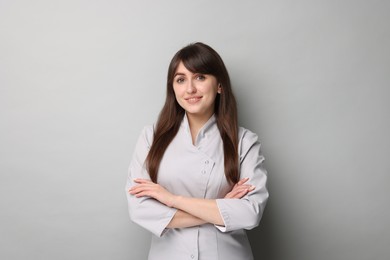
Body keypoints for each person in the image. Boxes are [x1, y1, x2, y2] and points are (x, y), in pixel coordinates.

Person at [125, 42, 268, 260]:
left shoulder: (244, 142)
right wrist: (221, 208)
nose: (190, 89)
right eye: (181, 79)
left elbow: (250, 214)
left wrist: (172, 199)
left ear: (219, 85)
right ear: (173, 88)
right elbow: (139, 210)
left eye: (200, 77)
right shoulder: (151, 137)